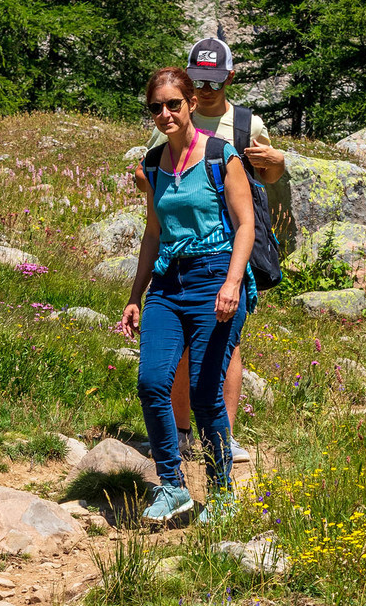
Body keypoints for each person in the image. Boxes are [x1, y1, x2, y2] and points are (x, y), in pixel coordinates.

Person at [120, 67, 256, 527]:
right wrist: (136, 295)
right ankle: (173, 487)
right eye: (156, 106)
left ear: (191, 103)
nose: (165, 113)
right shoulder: (154, 162)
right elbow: (153, 233)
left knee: (203, 391)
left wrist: (233, 283)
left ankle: (221, 494)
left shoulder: (222, 155)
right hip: (168, 283)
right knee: (152, 382)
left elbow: (246, 225)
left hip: (216, 275)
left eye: (173, 104)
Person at [154, 31, 292, 466]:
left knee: (225, 344)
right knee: (180, 346)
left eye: (214, 80)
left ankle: (223, 436)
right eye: (199, 80)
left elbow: (266, 179)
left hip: (233, 245)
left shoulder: (247, 123)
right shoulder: (173, 114)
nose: (207, 89)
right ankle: (179, 431)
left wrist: (277, 165)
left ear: (230, 77)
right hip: (183, 248)